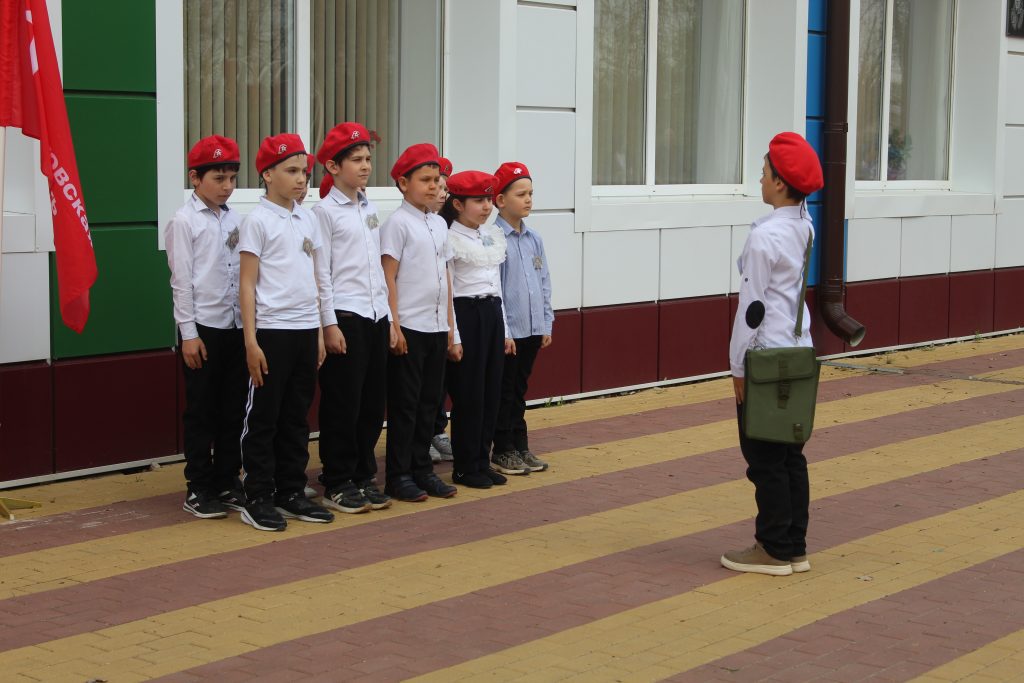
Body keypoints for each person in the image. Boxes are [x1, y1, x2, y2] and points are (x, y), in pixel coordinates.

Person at [721, 132, 823, 576]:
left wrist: (737, 366)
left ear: (780, 183)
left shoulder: (765, 236)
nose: (760, 179)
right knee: (791, 456)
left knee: (764, 459)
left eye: (764, 173)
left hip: (766, 358)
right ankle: (794, 546)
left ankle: (773, 548)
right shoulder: (804, 226)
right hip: (799, 352)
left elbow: (752, 309)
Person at [237, 133, 336, 531]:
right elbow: (246, 284)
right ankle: (257, 496)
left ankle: (291, 491)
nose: (300, 179)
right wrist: (251, 341)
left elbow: (317, 275)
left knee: (297, 416)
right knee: (264, 416)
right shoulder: (257, 221)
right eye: (291, 171)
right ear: (267, 174)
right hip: (272, 332)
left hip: (305, 329)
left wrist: (319, 331)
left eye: (304, 172)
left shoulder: (307, 218)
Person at [312, 122, 393, 514]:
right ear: (333, 166)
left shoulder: (368, 207)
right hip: (346, 316)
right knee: (343, 403)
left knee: (372, 403)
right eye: (356, 160)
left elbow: (377, 266)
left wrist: (389, 317)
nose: (365, 166)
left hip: (375, 314)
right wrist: (329, 323)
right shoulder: (323, 213)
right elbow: (321, 272)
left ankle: (363, 473)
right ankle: (338, 479)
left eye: (367, 159)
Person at [166, 135, 247, 518]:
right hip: (204, 328)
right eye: (218, 178)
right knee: (202, 411)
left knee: (234, 408)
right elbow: (181, 281)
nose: (227, 186)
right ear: (195, 178)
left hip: (236, 326)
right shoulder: (184, 221)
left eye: (232, 178)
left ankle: (227, 479)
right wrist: (189, 334)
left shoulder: (236, 218)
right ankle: (198, 487)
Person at [379, 143, 459, 502]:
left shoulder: (439, 224)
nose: (433, 186)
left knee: (430, 404)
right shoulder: (397, 224)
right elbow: (388, 276)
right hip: (409, 326)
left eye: (437, 180)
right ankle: (398, 475)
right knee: (406, 405)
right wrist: (394, 324)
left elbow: (446, 276)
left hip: (436, 326)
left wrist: (451, 327)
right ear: (403, 183)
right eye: (425, 180)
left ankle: (422, 470)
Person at [439, 170, 519, 487]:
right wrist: (454, 335)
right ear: (458, 204)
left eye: (488, 199)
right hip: (466, 313)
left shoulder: (491, 234)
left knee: (491, 392)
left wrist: (506, 331)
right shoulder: (450, 238)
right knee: (470, 394)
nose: (486, 207)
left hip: (491, 313)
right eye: (478, 201)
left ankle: (482, 461)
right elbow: (448, 290)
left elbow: (495, 285)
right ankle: (465, 466)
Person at [491, 161, 553, 474]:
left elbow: (544, 282)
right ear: (500, 200)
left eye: (530, 193)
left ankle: (520, 445)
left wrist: (546, 322)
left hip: (532, 328)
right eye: (520, 194)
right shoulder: (493, 238)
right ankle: (502, 449)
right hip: (510, 332)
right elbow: (496, 289)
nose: (528, 199)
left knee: (519, 391)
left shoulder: (534, 239)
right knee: (505, 391)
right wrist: (504, 331)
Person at [428, 156, 455, 463]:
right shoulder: (403, 223)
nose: (441, 192)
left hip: (442, 316)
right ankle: (425, 437)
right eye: (435, 185)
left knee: (439, 382)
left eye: (445, 187)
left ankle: (436, 430)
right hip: (417, 319)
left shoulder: (444, 224)